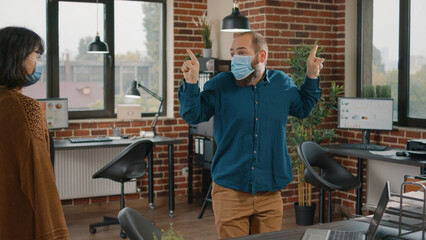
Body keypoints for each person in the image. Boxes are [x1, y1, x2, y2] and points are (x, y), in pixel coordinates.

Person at [178, 31, 324, 238]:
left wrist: (311, 75)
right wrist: (191, 83)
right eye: (232, 53)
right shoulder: (221, 84)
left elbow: (303, 109)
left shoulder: (281, 83)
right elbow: (193, 114)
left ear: (261, 56)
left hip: (270, 193)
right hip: (230, 191)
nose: (235, 58)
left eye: (242, 52)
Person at [0, 26, 69, 239]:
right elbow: (40, 182)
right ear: (17, 59)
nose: (37, 64)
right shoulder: (24, 108)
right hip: (18, 222)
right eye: (35, 57)